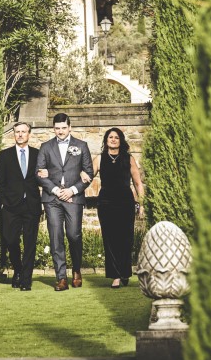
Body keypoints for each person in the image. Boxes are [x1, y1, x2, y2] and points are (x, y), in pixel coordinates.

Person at [36, 113, 94, 291]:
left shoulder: (81, 146)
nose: (60, 131)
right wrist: (55, 190)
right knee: (56, 237)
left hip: (73, 197)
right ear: (54, 129)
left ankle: (76, 270)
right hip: (52, 198)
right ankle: (61, 278)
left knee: (73, 235)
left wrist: (71, 190)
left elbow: (88, 173)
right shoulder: (45, 147)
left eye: (63, 128)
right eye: (57, 128)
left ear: (70, 127)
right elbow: (38, 173)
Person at [92, 126, 145, 289]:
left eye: (116, 137)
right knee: (110, 239)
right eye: (110, 137)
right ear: (106, 141)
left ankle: (125, 272)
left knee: (125, 239)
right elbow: (86, 177)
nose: (113, 139)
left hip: (125, 202)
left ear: (121, 141)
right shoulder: (99, 159)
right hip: (106, 203)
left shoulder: (128, 159)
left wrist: (141, 204)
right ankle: (115, 276)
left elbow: (137, 183)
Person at [0, 122, 42, 291]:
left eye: (23, 132)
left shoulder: (38, 154)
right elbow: (0, 183)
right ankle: (18, 269)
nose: (20, 134)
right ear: (13, 134)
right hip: (10, 206)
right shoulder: (5, 155)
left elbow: (43, 177)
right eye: (17, 132)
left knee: (30, 243)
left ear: (29, 134)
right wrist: (2, 203)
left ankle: (26, 280)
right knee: (10, 239)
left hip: (31, 204)